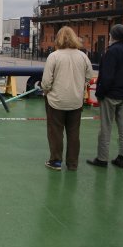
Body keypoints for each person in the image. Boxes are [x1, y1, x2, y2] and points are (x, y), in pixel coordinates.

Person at [40, 26, 95, 171]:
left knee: (55, 132)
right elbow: (90, 76)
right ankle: (72, 164)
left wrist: (47, 91)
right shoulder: (83, 56)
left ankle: (56, 161)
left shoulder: (54, 56)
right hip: (76, 101)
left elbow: (46, 82)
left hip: (56, 101)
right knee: (73, 133)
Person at [87, 24, 123, 169]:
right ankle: (122, 157)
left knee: (105, 127)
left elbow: (107, 76)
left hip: (110, 95)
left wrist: (100, 93)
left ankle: (102, 159)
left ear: (112, 36)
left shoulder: (111, 52)